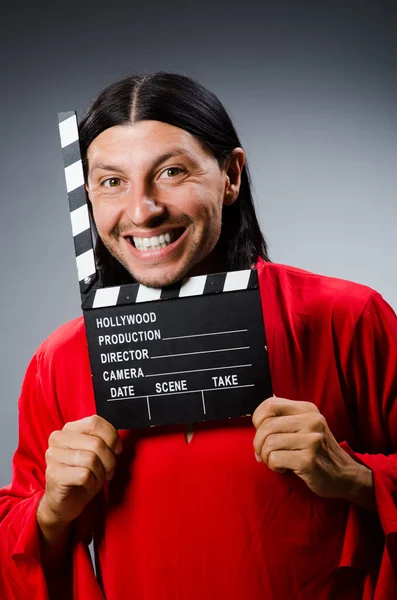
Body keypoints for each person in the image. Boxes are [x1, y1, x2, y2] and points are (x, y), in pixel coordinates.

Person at [0, 72, 396, 600]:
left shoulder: (348, 318)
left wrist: (357, 476)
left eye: (170, 171)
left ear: (230, 176)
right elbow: (14, 548)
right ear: (87, 196)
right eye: (112, 181)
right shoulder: (60, 360)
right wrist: (50, 510)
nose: (143, 210)